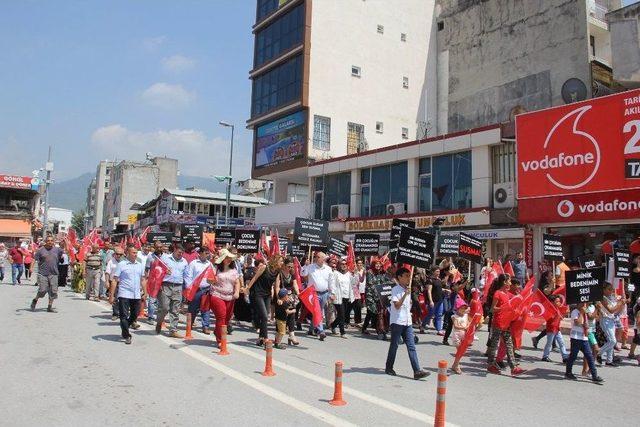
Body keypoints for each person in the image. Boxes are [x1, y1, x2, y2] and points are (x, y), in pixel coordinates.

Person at [384, 267, 428, 380]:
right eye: (406, 276)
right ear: (399, 277)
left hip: (407, 322)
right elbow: (397, 305)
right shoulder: (396, 289)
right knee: (394, 345)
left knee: (411, 346)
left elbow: (406, 307)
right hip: (397, 321)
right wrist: (405, 295)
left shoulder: (408, 290)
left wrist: (410, 299)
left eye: (409, 276)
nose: (409, 278)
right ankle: (389, 367)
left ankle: (417, 371)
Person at [486, 274, 525, 376]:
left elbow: (517, 300)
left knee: (509, 344)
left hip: (506, 323)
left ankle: (514, 368)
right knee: (494, 345)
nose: (510, 283)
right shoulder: (497, 293)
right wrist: (503, 308)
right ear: (504, 282)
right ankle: (491, 365)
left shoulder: (507, 294)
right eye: (509, 281)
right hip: (498, 323)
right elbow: (492, 309)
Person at [108, 245, 147, 345]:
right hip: (124, 293)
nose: (135, 255)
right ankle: (127, 335)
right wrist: (111, 295)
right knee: (123, 316)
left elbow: (143, 280)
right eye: (133, 253)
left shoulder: (140, 265)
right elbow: (115, 280)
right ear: (128, 253)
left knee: (135, 314)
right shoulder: (122, 264)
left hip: (136, 294)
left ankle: (124, 327)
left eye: (136, 253)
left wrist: (145, 293)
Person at [246, 254, 281, 346]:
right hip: (258, 293)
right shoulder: (264, 267)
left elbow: (276, 285)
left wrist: (277, 296)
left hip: (267, 295)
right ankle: (265, 338)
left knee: (264, 317)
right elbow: (254, 278)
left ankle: (260, 338)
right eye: (280, 261)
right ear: (275, 261)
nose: (282, 263)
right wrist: (247, 289)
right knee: (265, 316)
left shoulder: (278, 271)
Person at [156, 243, 189, 338]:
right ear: (174, 250)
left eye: (182, 253)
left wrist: (187, 287)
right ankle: (159, 322)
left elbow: (186, 275)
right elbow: (157, 269)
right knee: (165, 307)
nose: (180, 254)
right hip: (165, 285)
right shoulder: (165, 258)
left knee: (175, 309)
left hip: (178, 287)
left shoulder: (184, 262)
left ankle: (173, 330)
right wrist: (163, 272)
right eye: (179, 252)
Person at [565, 302, 604, 383]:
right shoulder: (575, 312)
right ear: (578, 304)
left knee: (589, 356)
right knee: (573, 356)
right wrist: (582, 313)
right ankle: (568, 372)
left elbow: (591, 319)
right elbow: (577, 322)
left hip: (584, 337)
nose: (584, 306)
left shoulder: (585, 312)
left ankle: (594, 375)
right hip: (576, 338)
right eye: (583, 304)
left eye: (585, 305)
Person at [210, 248, 240, 345]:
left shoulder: (234, 270)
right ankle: (220, 340)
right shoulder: (216, 268)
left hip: (230, 297)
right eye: (226, 258)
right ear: (222, 259)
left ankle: (217, 331)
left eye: (230, 258)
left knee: (227, 318)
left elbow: (237, 282)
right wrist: (212, 280)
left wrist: (237, 292)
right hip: (217, 295)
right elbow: (208, 280)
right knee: (221, 316)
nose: (229, 259)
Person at [300, 252, 333, 341]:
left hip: (325, 293)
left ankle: (311, 329)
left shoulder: (328, 269)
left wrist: (331, 293)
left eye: (318, 257)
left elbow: (330, 282)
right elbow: (302, 274)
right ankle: (321, 331)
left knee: (317, 312)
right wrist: (306, 266)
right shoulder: (311, 267)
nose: (316, 258)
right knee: (317, 311)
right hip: (314, 293)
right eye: (316, 257)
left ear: (323, 259)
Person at [30, 236, 64, 312]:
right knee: (42, 290)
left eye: (52, 240)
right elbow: (34, 259)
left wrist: (67, 242)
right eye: (48, 240)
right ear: (45, 241)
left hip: (54, 273)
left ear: (54, 242)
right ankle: (35, 299)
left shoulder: (57, 250)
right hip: (43, 274)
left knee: (53, 291)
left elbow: (67, 251)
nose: (50, 242)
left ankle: (49, 306)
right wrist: (31, 268)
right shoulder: (40, 250)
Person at [185, 247, 213, 334]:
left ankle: (205, 326)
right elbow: (188, 276)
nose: (208, 255)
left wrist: (212, 286)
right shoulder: (193, 263)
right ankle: (190, 323)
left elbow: (212, 276)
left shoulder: (209, 264)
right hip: (195, 290)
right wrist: (189, 288)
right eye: (206, 253)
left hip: (206, 290)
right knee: (193, 308)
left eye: (208, 253)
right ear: (200, 253)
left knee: (206, 308)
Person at [598, 281, 625, 366]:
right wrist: (620, 303)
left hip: (611, 320)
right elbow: (611, 310)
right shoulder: (602, 298)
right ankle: (598, 353)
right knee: (612, 341)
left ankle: (609, 360)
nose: (611, 291)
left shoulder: (611, 298)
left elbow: (616, 311)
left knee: (611, 340)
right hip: (605, 320)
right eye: (609, 289)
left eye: (612, 289)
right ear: (603, 289)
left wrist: (623, 303)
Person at [274, 257, 300, 345]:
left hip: (290, 297)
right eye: (289, 266)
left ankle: (292, 335)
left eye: (291, 266)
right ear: (284, 265)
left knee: (292, 315)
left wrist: (298, 293)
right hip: (282, 296)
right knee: (282, 317)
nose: (290, 268)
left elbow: (295, 284)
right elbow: (277, 287)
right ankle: (277, 337)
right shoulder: (279, 274)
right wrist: (278, 298)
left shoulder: (292, 274)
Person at [329, 259, 356, 338]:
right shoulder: (335, 273)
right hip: (338, 297)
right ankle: (342, 332)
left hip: (347, 297)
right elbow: (332, 284)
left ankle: (333, 325)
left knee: (342, 314)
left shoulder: (349, 274)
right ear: (338, 265)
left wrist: (354, 276)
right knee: (342, 314)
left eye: (345, 264)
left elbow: (354, 283)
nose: (344, 265)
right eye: (342, 264)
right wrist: (333, 294)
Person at [541, 295, 569, 362]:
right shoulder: (549, 309)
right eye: (557, 301)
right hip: (551, 329)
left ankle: (565, 357)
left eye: (559, 301)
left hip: (557, 329)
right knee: (549, 343)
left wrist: (565, 313)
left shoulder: (557, 309)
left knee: (561, 343)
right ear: (552, 302)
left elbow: (561, 318)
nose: (559, 303)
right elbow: (550, 318)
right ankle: (545, 356)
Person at [144, 241, 165, 322]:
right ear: (154, 248)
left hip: (163, 281)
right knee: (152, 300)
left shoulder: (166, 257)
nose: (159, 249)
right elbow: (147, 269)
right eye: (157, 247)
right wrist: (146, 279)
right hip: (153, 281)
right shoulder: (150, 257)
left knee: (162, 301)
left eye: (160, 247)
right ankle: (151, 316)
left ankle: (160, 317)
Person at [450, 299, 471, 374]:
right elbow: (455, 326)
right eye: (461, 308)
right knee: (460, 351)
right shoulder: (454, 316)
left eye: (464, 308)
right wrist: (464, 328)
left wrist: (468, 326)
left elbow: (469, 323)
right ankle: (456, 366)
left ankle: (454, 365)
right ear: (457, 308)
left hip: (464, 335)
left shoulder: (466, 315)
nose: (463, 310)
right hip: (457, 336)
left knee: (462, 351)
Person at [423, 266, 445, 335]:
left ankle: (439, 330)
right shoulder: (430, 280)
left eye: (439, 271)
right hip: (433, 300)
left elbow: (439, 289)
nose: (439, 273)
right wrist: (431, 301)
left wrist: (446, 290)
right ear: (433, 272)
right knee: (430, 314)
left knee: (439, 315)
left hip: (440, 300)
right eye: (437, 271)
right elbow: (429, 291)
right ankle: (422, 326)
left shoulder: (439, 280)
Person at [105, 247, 125, 321]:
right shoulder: (111, 261)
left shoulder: (125, 262)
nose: (119, 255)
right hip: (113, 282)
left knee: (123, 299)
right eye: (117, 254)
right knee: (115, 298)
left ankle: (123, 313)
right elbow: (107, 272)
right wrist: (106, 281)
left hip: (123, 283)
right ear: (114, 254)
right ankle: (115, 313)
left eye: (120, 254)